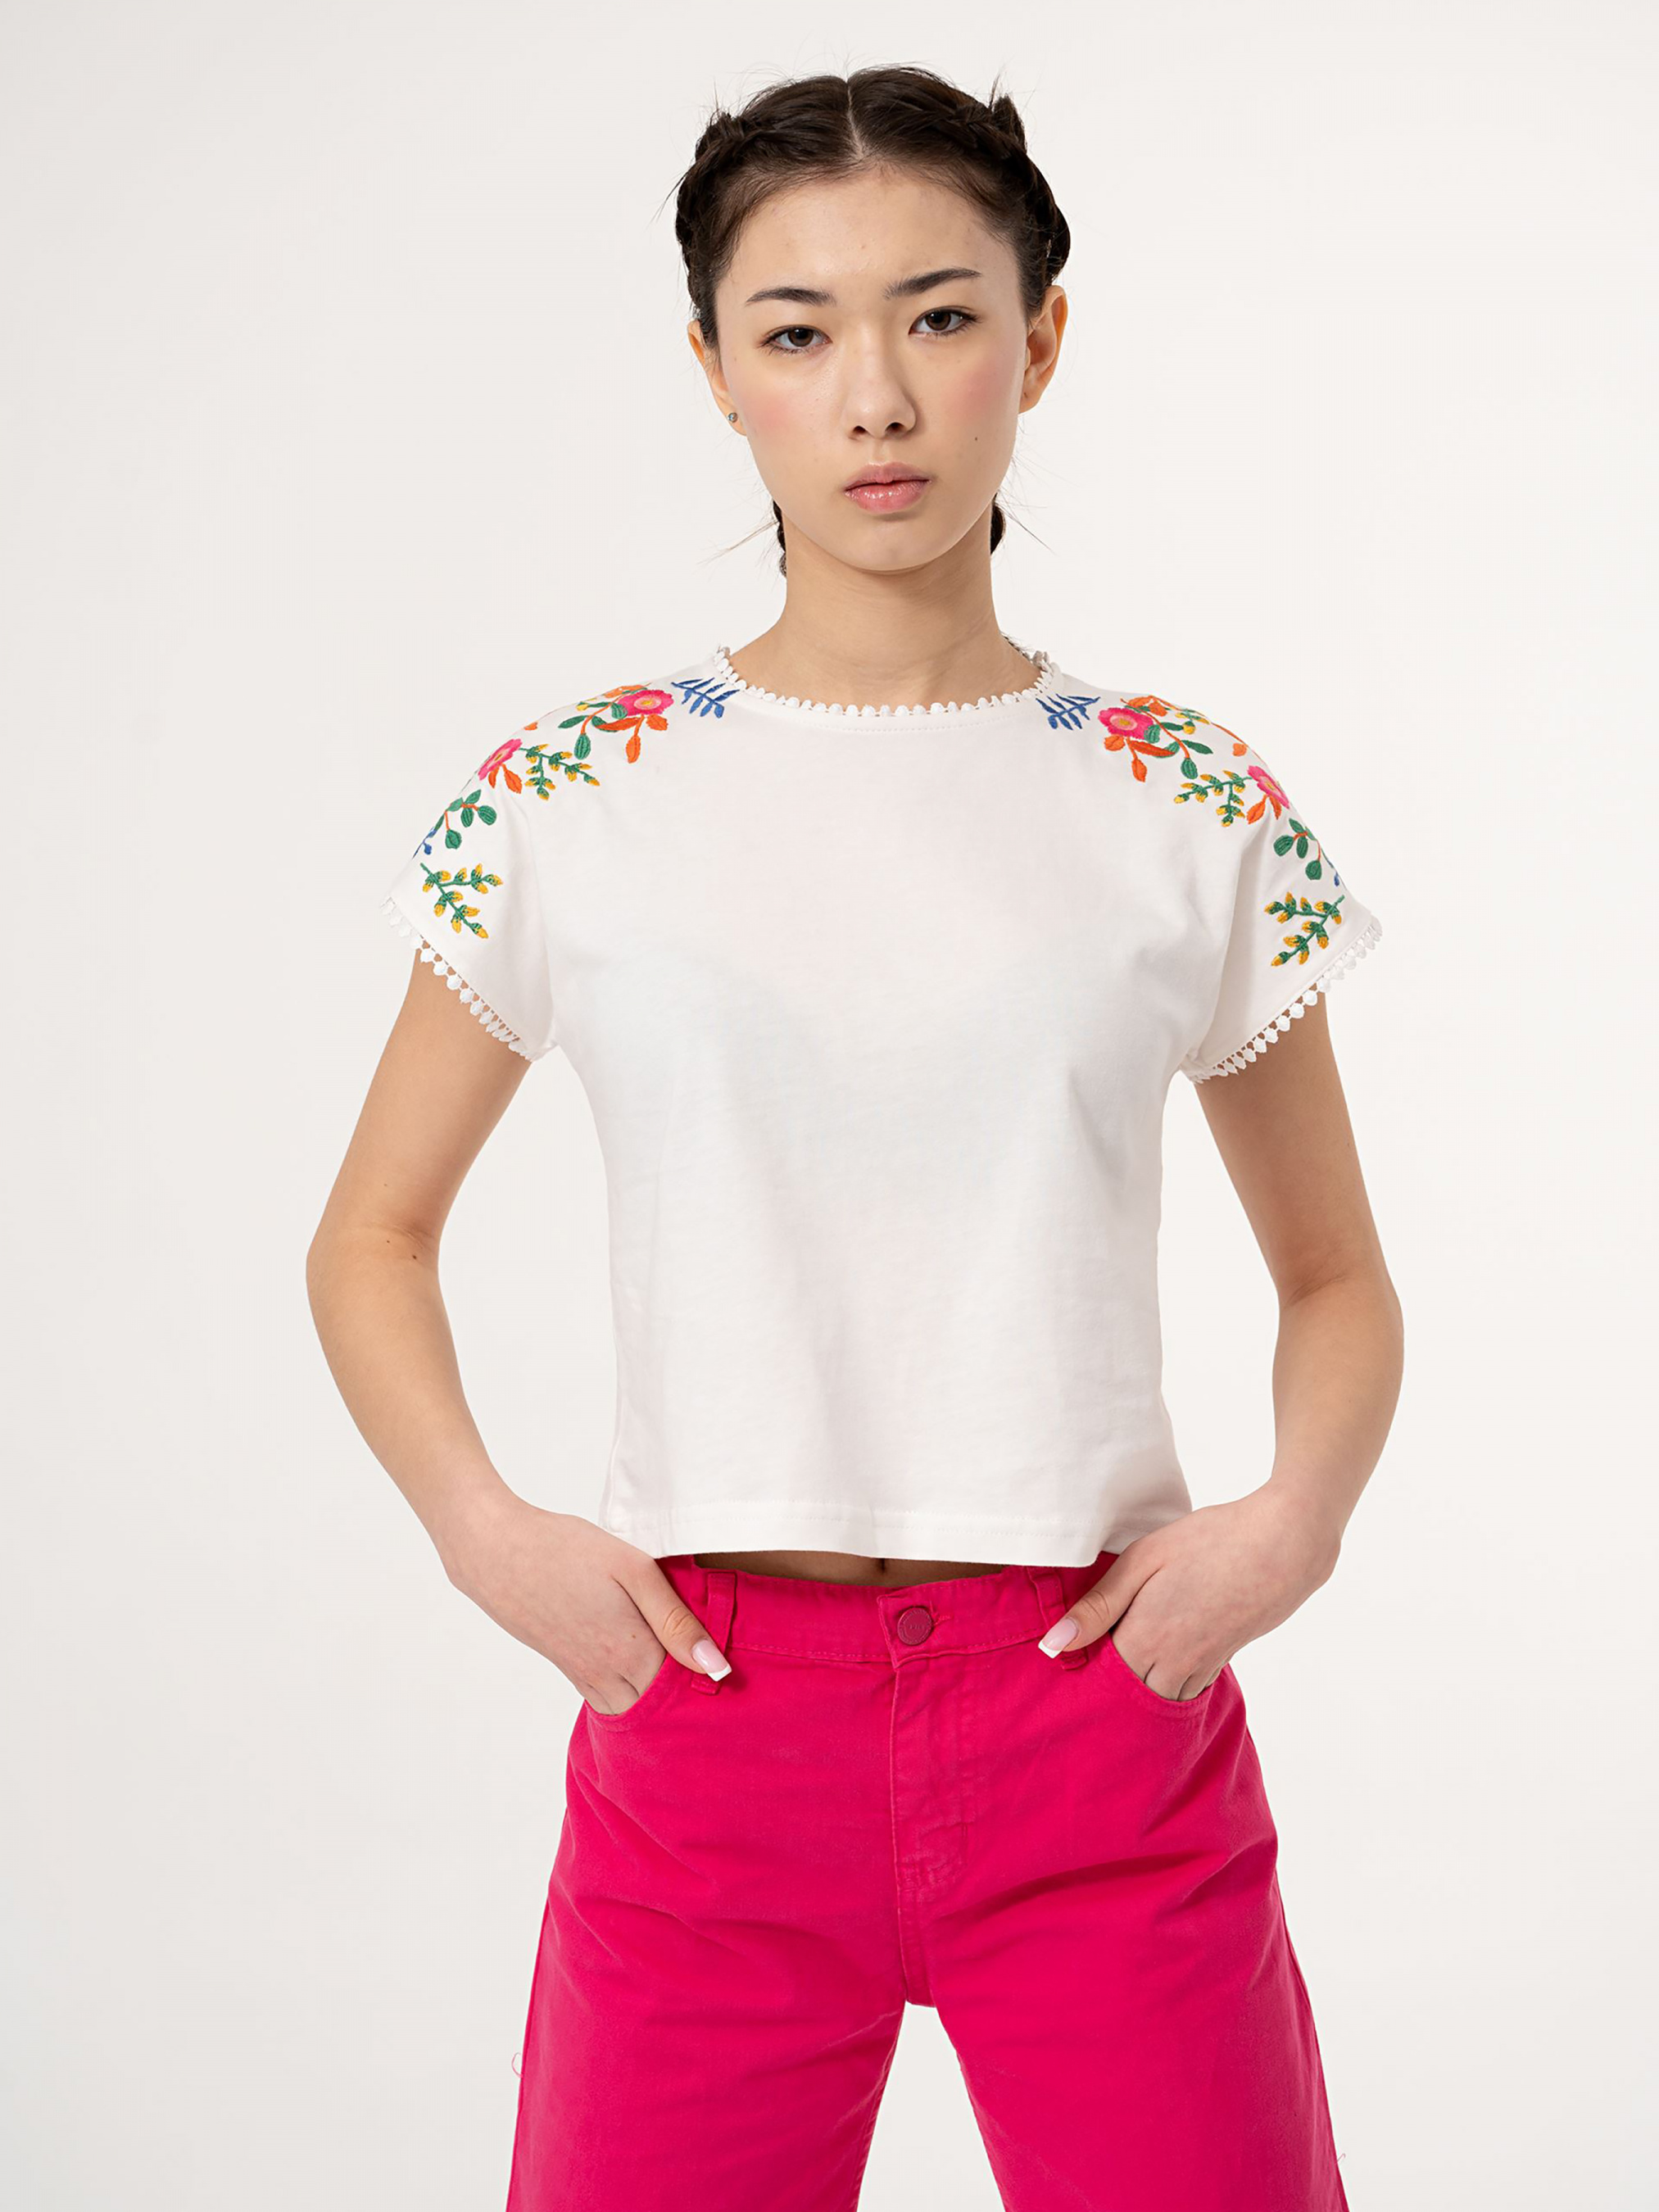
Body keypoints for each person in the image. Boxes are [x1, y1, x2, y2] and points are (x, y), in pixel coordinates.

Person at [306, 61, 1401, 2212]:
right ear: (715, 370)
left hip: (1097, 1712)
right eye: (797, 331)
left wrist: (1294, 1523)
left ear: (1039, 341)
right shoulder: (582, 794)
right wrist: (481, 1529)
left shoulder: (1176, 796)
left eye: (939, 315)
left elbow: (1336, 1271)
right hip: (707, 1726)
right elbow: (372, 1233)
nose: (876, 398)